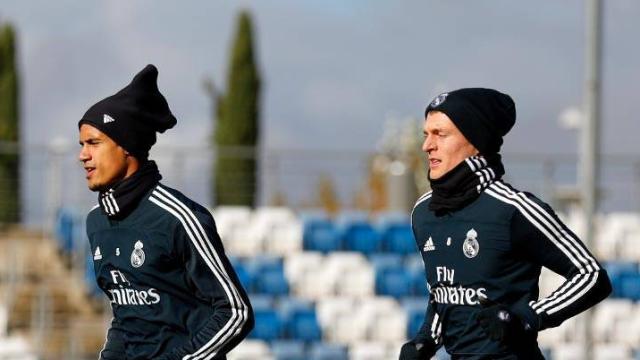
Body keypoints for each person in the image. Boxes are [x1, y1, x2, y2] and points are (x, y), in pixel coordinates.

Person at [399, 88, 611, 359]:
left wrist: (527, 318)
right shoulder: (423, 212)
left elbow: (591, 276)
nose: (427, 145)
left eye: (440, 134)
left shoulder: (513, 209)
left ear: (475, 141)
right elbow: (446, 292)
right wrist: (426, 339)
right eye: (426, 134)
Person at [78, 64, 254, 360]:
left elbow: (235, 312)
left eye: (94, 143)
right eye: (82, 144)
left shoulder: (179, 218)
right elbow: (127, 320)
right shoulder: (96, 222)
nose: (83, 155)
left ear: (127, 147)